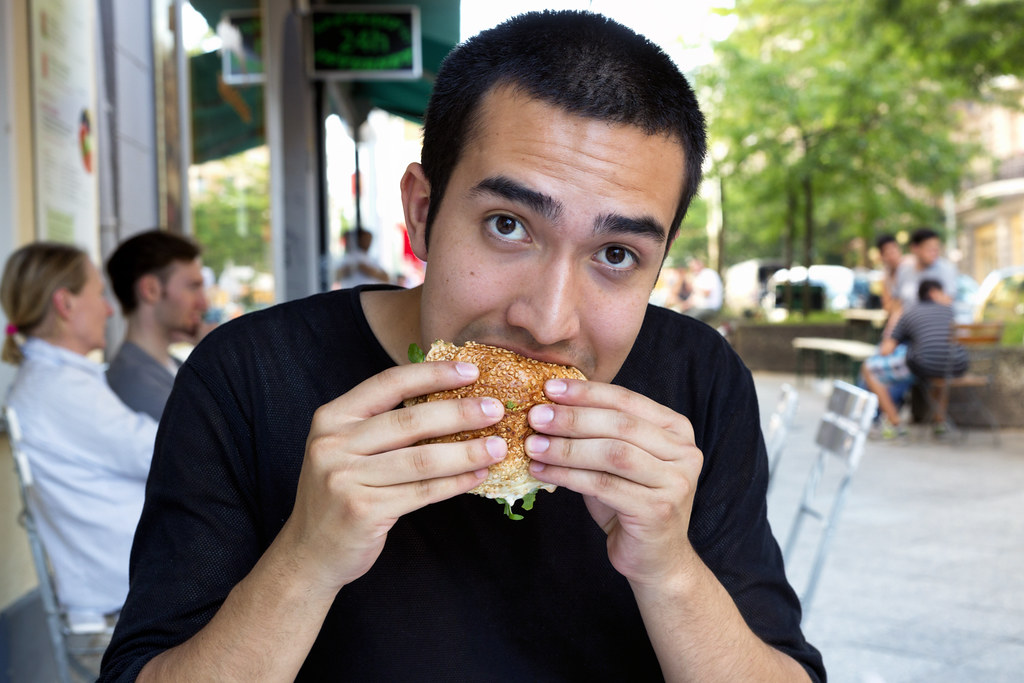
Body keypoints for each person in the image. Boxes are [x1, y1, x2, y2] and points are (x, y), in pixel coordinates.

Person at [100, 12, 823, 682]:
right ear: (422, 212)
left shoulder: (696, 381)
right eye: (508, 225)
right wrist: (307, 558)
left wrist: (669, 569)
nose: (547, 321)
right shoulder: (246, 376)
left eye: (616, 253)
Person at [1, 242, 158, 622]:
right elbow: (161, 451)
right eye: (99, 293)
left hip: (133, 577)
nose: (108, 309)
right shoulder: (58, 388)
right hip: (128, 587)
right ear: (65, 304)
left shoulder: (57, 380)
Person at [104, 230, 209, 421]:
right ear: (151, 290)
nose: (204, 303)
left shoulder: (173, 367)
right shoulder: (135, 383)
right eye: (193, 287)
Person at [861, 279, 967, 438]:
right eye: (943, 292)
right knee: (940, 368)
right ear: (933, 293)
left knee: (869, 369)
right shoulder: (950, 311)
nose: (948, 296)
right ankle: (939, 423)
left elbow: (886, 350)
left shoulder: (910, 312)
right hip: (957, 365)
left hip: (923, 365)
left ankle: (895, 423)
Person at [894, 227, 958, 313]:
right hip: (908, 323)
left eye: (936, 249)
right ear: (915, 248)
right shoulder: (904, 270)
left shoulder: (946, 270)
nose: (934, 253)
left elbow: (948, 302)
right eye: (929, 249)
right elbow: (898, 304)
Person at [677, 256, 723, 320]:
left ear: (700, 265)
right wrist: (685, 304)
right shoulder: (699, 277)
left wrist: (693, 286)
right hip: (699, 307)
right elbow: (694, 297)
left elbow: (706, 294)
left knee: (687, 320)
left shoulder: (708, 274)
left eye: (693, 267)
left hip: (709, 308)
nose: (692, 269)